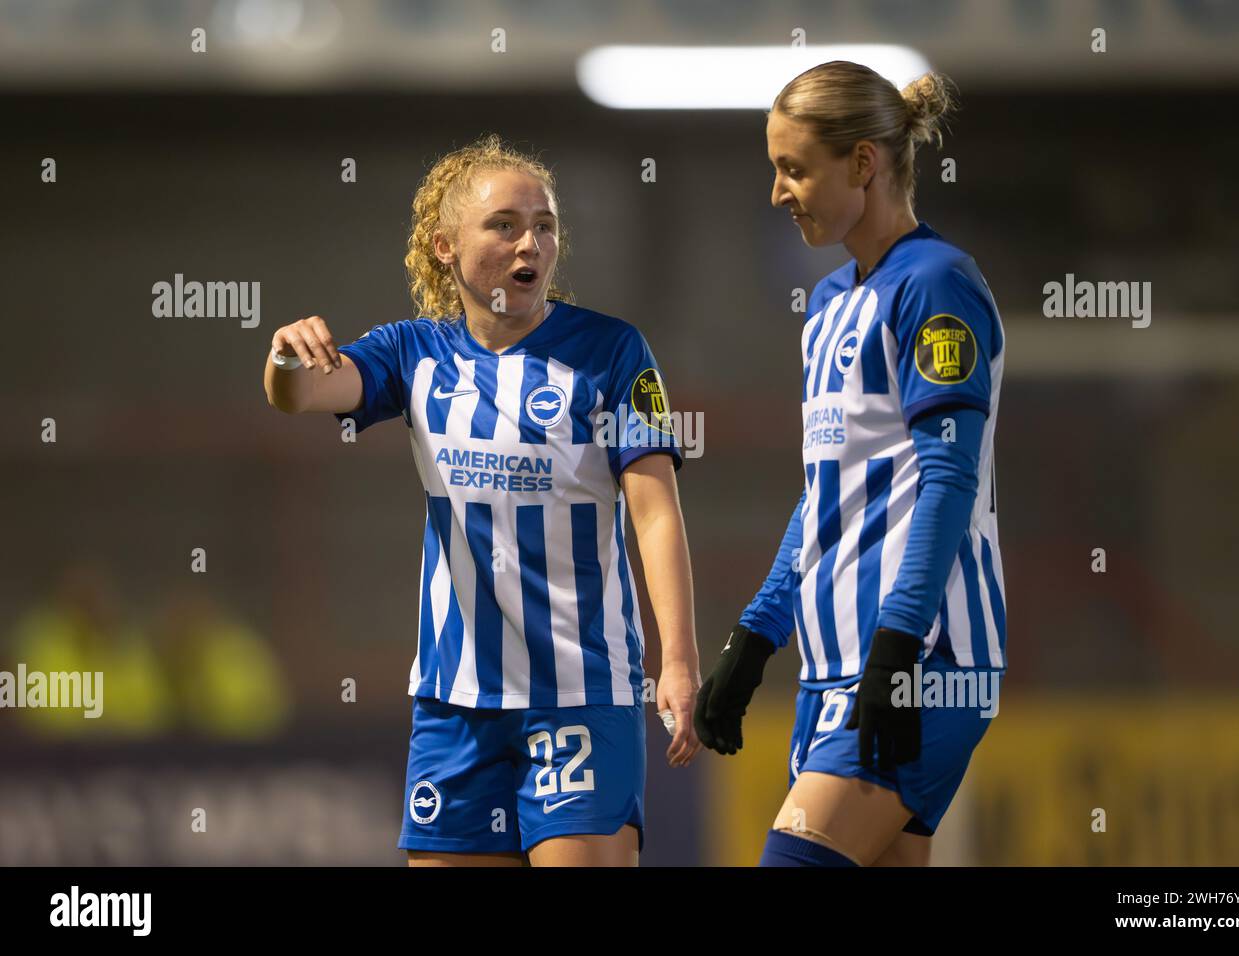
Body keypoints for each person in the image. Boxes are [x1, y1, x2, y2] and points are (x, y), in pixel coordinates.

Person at [264, 135, 700, 867]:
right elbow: (302, 394)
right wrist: (284, 356)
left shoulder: (614, 352)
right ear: (443, 245)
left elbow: (655, 514)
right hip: (454, 702)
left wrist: (679, 661)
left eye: (546, 224)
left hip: (582, 690)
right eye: (505, 224)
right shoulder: (414, 353)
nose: (532, 241)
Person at [694, 62, 1007, 867]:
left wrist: (898, 647)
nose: (777, 192)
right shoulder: (830, 303)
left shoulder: (936, 284)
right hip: (835, 669)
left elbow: (947, 479)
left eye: (794, 169)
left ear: (863, 164)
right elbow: (824, 497)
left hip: (922, 662)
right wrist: (756, 638)